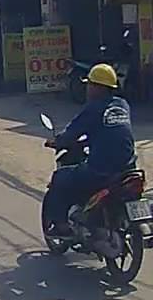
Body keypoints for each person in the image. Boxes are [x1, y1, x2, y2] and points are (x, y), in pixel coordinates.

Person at [43, 63, 137, 235]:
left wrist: (57, 142)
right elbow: (109, 133)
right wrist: (87, 142)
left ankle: (61, 226)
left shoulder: (94, 108)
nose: (87, 89)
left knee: (60, 177)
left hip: (101, 170)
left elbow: (71, 134)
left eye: (90, 85)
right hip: (128, 168)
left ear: (98, 87)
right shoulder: (122, 105)